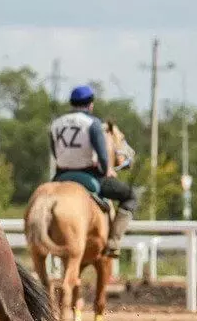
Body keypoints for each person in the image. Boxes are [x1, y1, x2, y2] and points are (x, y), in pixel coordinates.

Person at [50, 85, 140, 257]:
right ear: (90, 104)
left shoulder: (56, 124)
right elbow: (103, 155)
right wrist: (107, 170)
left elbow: (55, 152)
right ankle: (113, 241)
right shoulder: (93, 123)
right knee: (130, 196)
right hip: (89, 175)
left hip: (60, 177)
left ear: (71, 103)